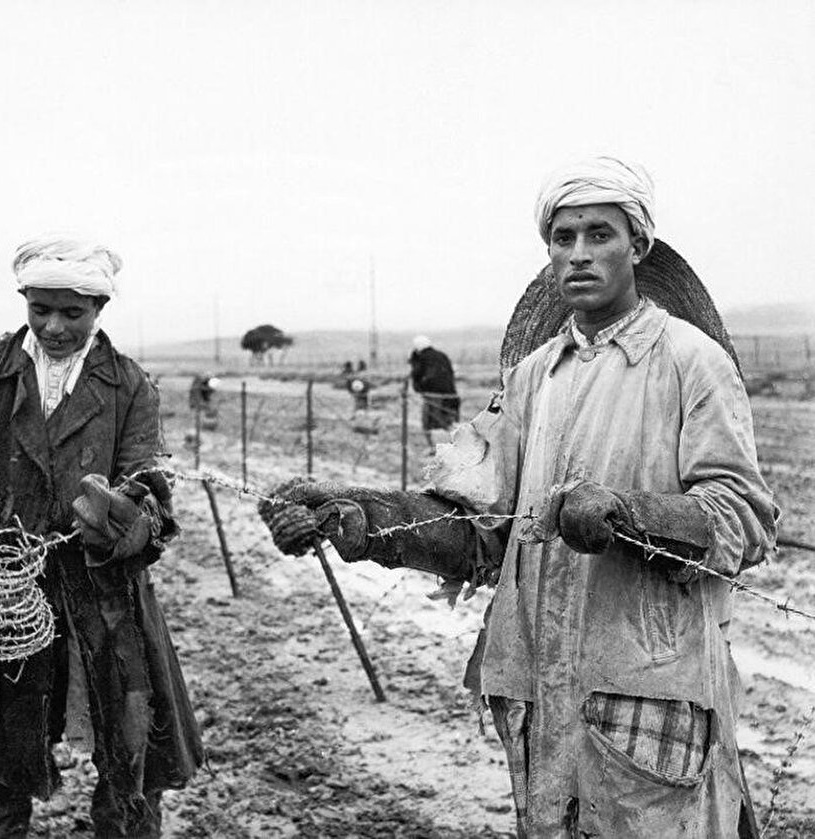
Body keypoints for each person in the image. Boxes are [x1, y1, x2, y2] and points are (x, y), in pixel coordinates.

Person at [259, 157, 777, 837]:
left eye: (600, 235)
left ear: (639, 246)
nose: (579, 254)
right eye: (563, 238)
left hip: (648, 695)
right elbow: (479, 527)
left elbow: (743, 514)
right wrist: (356, 514)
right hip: (540, 694)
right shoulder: (532, 378)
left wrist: (628, 516)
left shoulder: (690, 361)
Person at [0, 237, 202, 838]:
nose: (53, 326)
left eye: (72, 313)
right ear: (24, 299)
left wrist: (126, 513)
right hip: (9, 598)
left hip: (108, 598)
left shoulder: (128, 384)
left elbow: (151, 480)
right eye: (40, 309)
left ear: (99, 308)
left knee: (131, 765)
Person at [408, 336, 460, 450]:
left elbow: (417, 374)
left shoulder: (421, 358)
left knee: (430, 423)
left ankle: (435, 449)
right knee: (448, 422)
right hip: (451, 395)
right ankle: (455, 446)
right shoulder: (442, 355)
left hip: (432, 395)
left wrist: (419, 387)